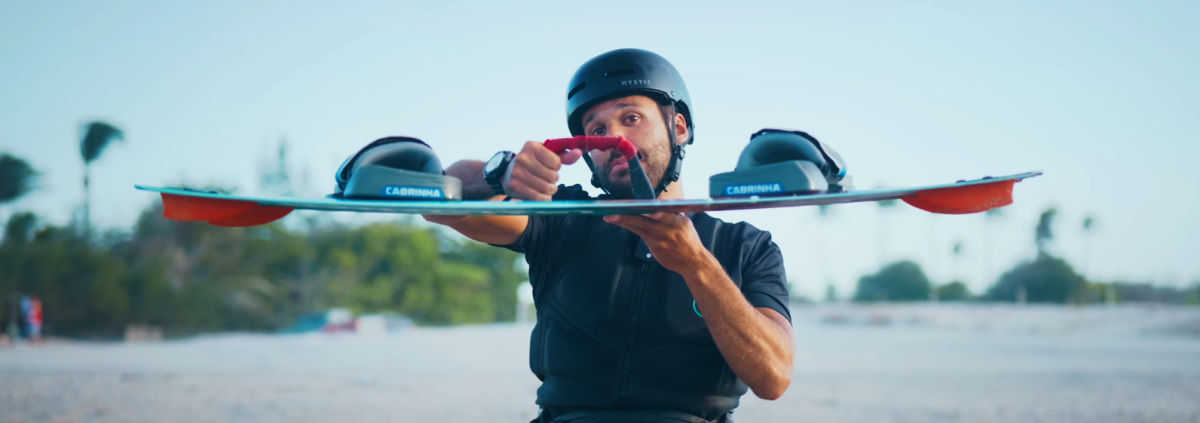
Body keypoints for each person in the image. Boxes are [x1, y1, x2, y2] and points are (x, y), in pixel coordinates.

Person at [425, 48, 793, 423]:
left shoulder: (747, 246)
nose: (612, 135)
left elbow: (773, 378)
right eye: (596, 130)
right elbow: (439, 200)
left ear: (679, 127)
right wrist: (500, 173)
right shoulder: (560, 217)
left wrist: (697, 266)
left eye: (631, 117)